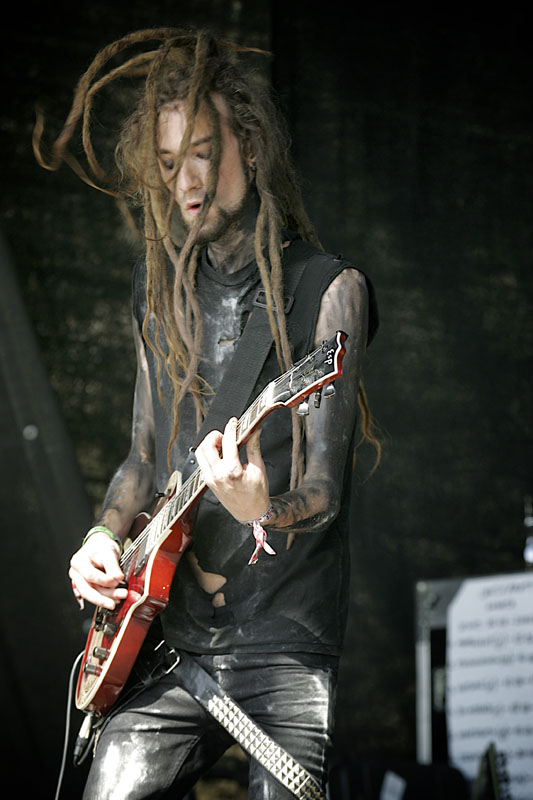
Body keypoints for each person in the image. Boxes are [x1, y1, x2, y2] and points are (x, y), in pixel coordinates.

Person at [36, 28, 380, 799]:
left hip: (284, 643)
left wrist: (266, 506)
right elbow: (141, 458)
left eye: (201, 151)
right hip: (168, 639)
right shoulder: (158, 292)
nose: (186, 181)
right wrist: (101, 538)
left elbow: (325, 488)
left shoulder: (327, 290)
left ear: (249, 147)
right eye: (167, 165)